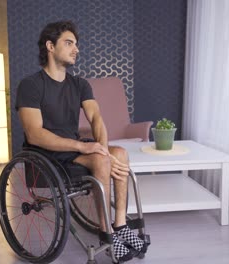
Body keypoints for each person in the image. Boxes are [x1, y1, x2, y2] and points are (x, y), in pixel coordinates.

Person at [15, 21, 147, 262]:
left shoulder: (80, 84)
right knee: (100, 158)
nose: (76, 49)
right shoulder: (31, 85)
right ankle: (105, 235)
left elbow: (96, 117)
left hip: (73, 150)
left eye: (76, 44)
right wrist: (84, 147)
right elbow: (34, 133)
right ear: (50, 46)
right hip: (45, 156)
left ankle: (119, 227)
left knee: (120, 155)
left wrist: (105, 150)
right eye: (69, 43)